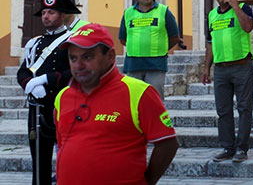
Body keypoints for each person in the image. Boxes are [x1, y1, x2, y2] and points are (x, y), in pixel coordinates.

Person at [54, 23, 178, 184]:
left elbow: (168, 144)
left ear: (110, 56)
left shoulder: (139, 92)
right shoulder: (62, 97)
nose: (79, 65)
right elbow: (62, 143)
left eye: (88, 57)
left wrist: (147, 181)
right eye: (73, 58)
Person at [17, 0, 81, 185]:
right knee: (38, 156)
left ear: (63, 15)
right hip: (37, 107)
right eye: (44, 12)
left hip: (64, 104)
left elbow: (74, 71)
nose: (46, 16)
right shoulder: (34, 43)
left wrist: (45, 80)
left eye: (51, 12)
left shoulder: (73, 40)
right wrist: (29, 84)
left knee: (68, 154)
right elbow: (23, 70)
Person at [201, 0, 253, 163]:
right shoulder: (212, 15)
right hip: (221, 69)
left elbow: (248, 27)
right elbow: (210, 44)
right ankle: (227, 147)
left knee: (244, 108)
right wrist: (207, 67)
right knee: (223, 111)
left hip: (242, 66)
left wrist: (236, 7)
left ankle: (242, 148)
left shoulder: (243, 8)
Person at [119, 0, 181, 99]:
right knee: (134, 101)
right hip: (133, 64)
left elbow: (175, 37)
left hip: (156, 65)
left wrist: (161, 47)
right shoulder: (128, 13)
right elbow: (122, 39)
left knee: (155, 101)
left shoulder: (164, 11)